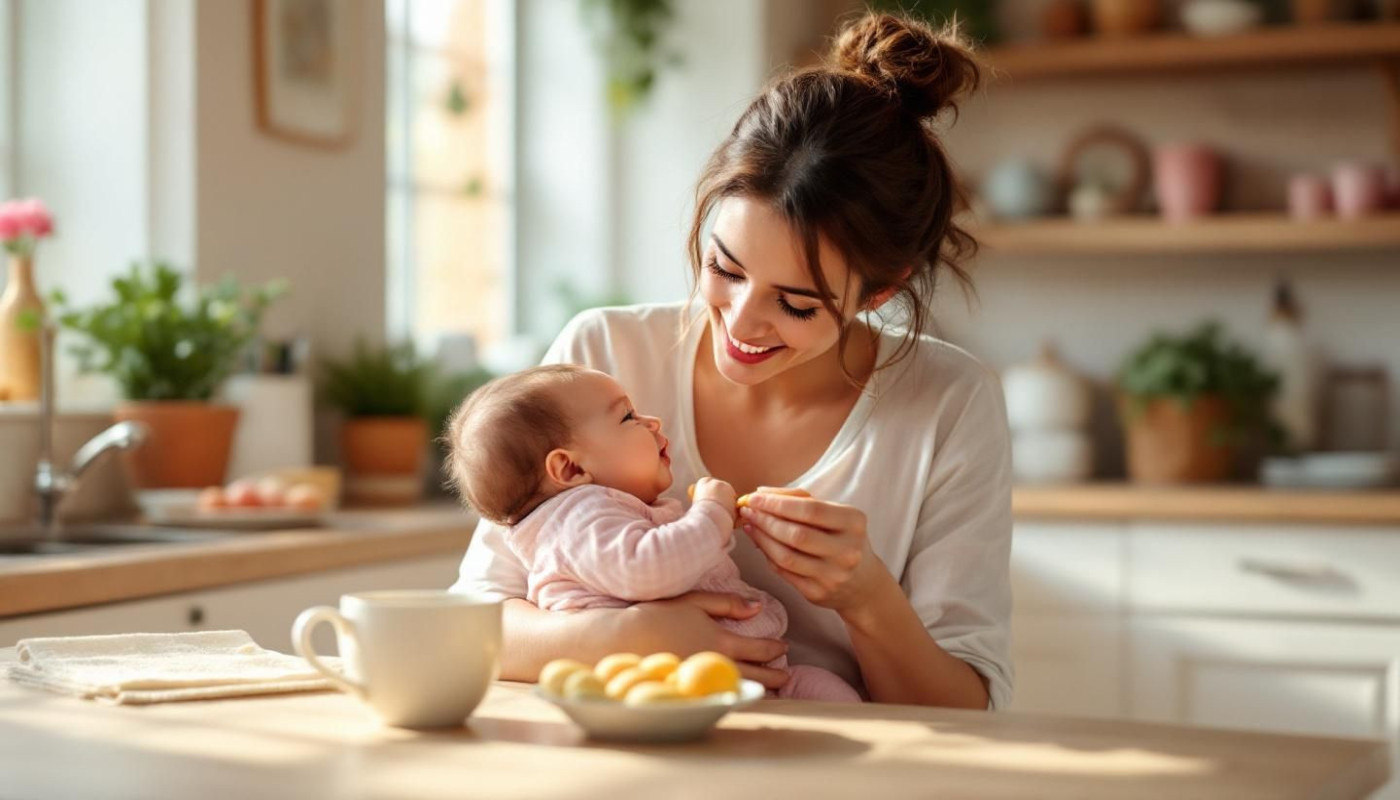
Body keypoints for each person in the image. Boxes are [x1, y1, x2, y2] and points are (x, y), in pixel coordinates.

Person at [452, 12, 1012, 710]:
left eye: (797, 304)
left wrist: (867, 596)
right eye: (724, 267)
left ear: (881, 290)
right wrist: (632, 633)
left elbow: (967, 710)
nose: (741, 324)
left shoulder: (950, 402)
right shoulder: (598, 360)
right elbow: (471, 622)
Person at [443, 364, 861, 701]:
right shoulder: (577, 517)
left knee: (831, 695)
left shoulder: (611, 512)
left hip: (731, 677)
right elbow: (649, 568)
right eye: (628, 416)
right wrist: (711, 513)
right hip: (655, 688)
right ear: (570, 469)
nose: (652, 420)